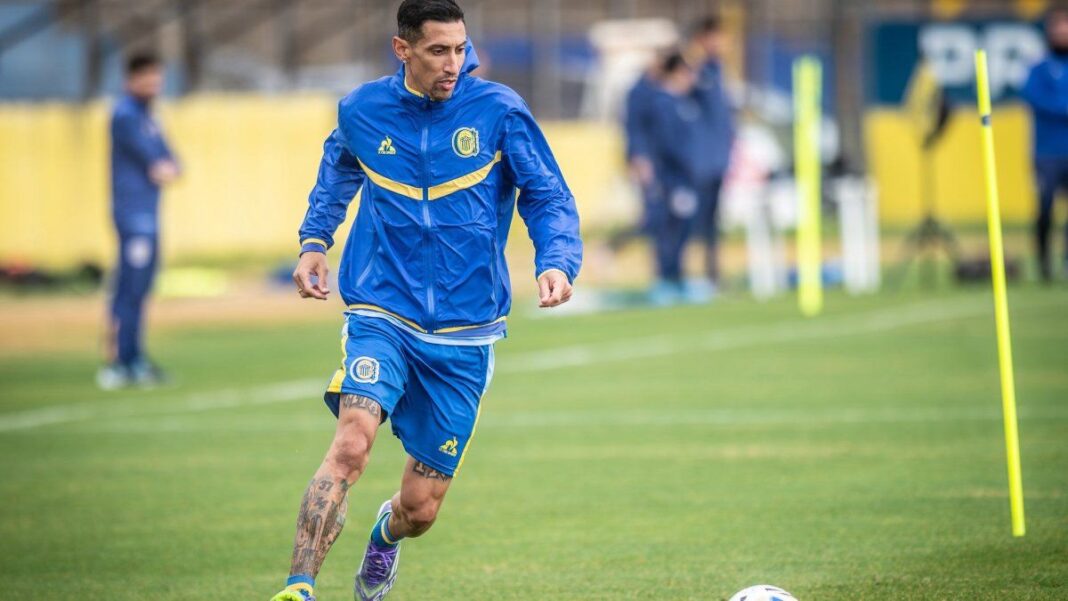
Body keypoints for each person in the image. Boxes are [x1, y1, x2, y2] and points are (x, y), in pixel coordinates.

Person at [271, 1, 582, 600]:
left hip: (467, 334)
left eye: (460, 49)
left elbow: (546, 194)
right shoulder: (362, 110)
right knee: (352, 440)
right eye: (438, 51)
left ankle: (384, 539)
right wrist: (315, 240)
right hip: (381, 311)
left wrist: (556, 260)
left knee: (421, 509)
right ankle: (298, 587)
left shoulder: (498, 110)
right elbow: (337, 168)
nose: (453, 64)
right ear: (402, 49)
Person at [97, 52, 179, 390]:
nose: (154, 85)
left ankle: (133, 357)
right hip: (133, 215)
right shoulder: (125, 115)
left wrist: (164, 167)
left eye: (157, 78)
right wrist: (161, 167)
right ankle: (120, 361)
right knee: (130, 288)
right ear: (130, 79)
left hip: (147, 213)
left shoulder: (149, 116)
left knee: (140, 287)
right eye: (147, 78)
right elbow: (156, 162)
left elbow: (173, 162)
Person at [644, 52, 702, 305]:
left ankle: (676, 276)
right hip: (671, 177)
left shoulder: (680, 102)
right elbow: (669, 144)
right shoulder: (663, 103)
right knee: (669, 229)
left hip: (680, 176)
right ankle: (667, 279)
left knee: (681, 228)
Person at [686, 15, 736, 293]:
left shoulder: (717, 72)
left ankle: (712, 275)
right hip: (700, 162)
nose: (722, 42)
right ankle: (681, 276)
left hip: (717, 160)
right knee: (682, 220)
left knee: (712, 222)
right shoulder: (697, 73)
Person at [1021, 7, 1068, 283]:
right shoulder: (1038, 67)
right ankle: (1043, 264)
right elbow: (1033, 98)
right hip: (1046, 152)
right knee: (1045, 208)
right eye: (1058, 28)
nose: (1062, 33)